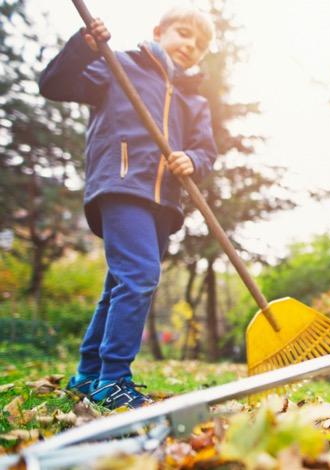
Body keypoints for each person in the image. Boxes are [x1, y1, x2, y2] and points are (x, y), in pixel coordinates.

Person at [39, 7, 217, 409]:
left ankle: (88, 375)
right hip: (121, 185)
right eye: (183, 34)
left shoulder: (194, 100)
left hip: (164, 203)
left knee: (120, 284)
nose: (190, 45)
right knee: (139, 276)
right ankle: (114, 379)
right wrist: (82, 49)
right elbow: (55, 84)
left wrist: (192, 158)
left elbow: (206, 151)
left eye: (200, 44)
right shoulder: (118, 67)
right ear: (159, 31)